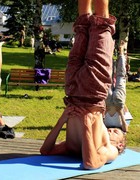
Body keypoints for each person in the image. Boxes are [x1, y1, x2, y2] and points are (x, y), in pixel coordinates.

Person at [40, 0, 126, 170]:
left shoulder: (77, 148)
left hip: (72, 91)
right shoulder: (108, 150)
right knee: (100, 26)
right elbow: (90, 163)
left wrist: (62, 121)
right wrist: (86, 125)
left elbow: (46, 151)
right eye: (117, 131)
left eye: (116, 132)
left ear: (121, 144)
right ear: (121, 146)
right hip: (93, 91)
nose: (111, 130)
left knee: (82, 26)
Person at [104, 41, 129, 132]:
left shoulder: (105, 130)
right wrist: (121, 113)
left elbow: (98, 124)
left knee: (108, 76)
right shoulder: (120, 131)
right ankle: (121, 52)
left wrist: (104, 112)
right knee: (121, 76)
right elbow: (126, 130)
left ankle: (110, 52)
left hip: (108, 105)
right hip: (119, 104)